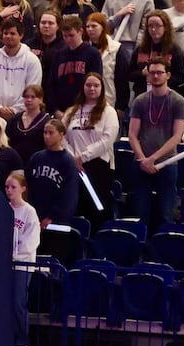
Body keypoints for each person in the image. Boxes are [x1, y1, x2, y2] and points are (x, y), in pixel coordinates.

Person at [128, 59, 184, 229]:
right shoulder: (140, 101)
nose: (155, 76)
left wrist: (153, 158)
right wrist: (143, 159)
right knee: (141, 213)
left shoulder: (177, 101)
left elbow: (177, 137)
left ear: (168, 75)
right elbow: (132, 135)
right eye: (152, 72)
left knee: (165, 213)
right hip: (142, 162)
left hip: (167, 162)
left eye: (159, 72)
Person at [63, 73, 117, 229]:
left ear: (102, 88)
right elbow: (61, 136)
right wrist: (73, 158)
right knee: (76, 208)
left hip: (98, 166)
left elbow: (107, 139)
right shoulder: (71, 111)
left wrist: (84, 157)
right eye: (88, 85)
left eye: (96, 85)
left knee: (97, 210)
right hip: (74, 167)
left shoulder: (109, 112)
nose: (92, 88)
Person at [0, 18, 45, 119]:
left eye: (12, 33)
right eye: (5, 33)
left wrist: (15, 110)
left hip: (23, 116)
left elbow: (33, 90)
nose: (8, 36)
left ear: (21, 35)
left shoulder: (32, 60)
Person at [5, 172, 41, 345]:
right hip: (5, 264)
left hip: (22, 265)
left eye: (13, 187)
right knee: (4, 303)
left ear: (23, 189)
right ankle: (6, 340)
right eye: (7, 187)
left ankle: (22, 341)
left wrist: (16, 255)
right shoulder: (4, 209)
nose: (9, 190)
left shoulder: (29, 212)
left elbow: (32, 240)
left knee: (18, 303)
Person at [125, 11, 184, 107]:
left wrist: (160, 78)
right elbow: (129, 74)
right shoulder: (141, 49)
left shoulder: (174, 50)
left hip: (166, 99)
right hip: (142, 97)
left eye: (158, 25)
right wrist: (142, 73)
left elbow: (181, 77)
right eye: (150, 26)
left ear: (165, 27)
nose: (154, 29)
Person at [45, 16, 105, 114]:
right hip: (62, 110)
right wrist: (55, 110)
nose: (68, 39)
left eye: (71, 35)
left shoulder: (92, 53)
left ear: (80, 31)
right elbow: (51, 85)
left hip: (84, 109)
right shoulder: (58, 55)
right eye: (65, 36)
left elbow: (95, 83)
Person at [25, 119, 78, 229]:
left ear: (61, 135)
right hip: (35, 216)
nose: (47, 136)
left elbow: (68, 195)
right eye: (45, 133)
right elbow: (28, 186)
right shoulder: (36, 158)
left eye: (51, 133)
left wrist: (51, 216)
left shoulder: (67, 161)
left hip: (57, 221)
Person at [8, 85, 51, 161]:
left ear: (40, 99)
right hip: (16, 163)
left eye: (33, 97)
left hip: (38, 162)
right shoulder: (14, 119)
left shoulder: (47, 121)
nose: (29, 100)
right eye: (26, 97)